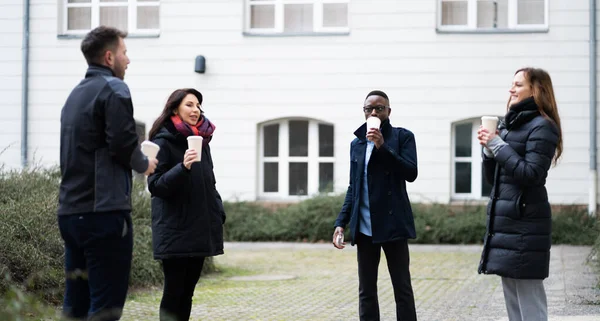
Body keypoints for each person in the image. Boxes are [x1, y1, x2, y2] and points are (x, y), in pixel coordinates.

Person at [58, 26, 158, 321]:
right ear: (109, 56)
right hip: (103, 215)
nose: (128, 60)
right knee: (106, 307)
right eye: (125, 53)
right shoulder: (115, 88)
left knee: (75, 305)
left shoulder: (74, 96)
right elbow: (123, 142)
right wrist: (144, 164)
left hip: (70, 214)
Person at [477, 67, 563, 321]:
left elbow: (532, 174)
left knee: (529, 299)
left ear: (536, 90)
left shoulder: (543, 127)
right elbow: (495, 181)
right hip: (507, 224)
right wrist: (488, 153)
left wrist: (497, 144)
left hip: (526, 224)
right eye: (511, 84)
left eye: (518, 85)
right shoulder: (510, 126)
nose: (510, 89)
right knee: (513, 299)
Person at [333, 90, 418, 321]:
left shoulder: (403, 137)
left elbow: (410, 173)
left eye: (379, 108)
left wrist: (383, 147)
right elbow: (354, 186)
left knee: (402, 287)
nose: (373, 112)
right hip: (364, 227)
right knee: (366, 290)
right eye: (368, 109)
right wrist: (341, 222)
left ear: (388, 112)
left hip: (393, 224)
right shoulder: (357, 144)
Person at [147, 88, 226, 321]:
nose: (196, 110)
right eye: (190, 105)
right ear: (175, 109)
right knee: (174, 293)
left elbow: (208, 182)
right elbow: (156, 185)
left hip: (200, 227)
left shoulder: (203, 141)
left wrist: (217, 211)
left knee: (187, 293)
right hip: (175, 229)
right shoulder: (162, 140)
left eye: (198, 105)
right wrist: (182, 167)